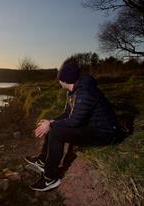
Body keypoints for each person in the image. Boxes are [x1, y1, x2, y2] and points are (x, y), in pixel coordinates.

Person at [25, 61, 120, 192]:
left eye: (59, 78)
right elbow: (67, 114)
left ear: (65, 80)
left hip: (105, 133)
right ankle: (42, 160)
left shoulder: (85, 93)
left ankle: (50, 178)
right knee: (53, 127)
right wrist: (51, 121)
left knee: (56, 132)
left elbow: (74, 121)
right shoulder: (73, 91)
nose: (58, 81)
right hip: (92, 127)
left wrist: (51, 124)